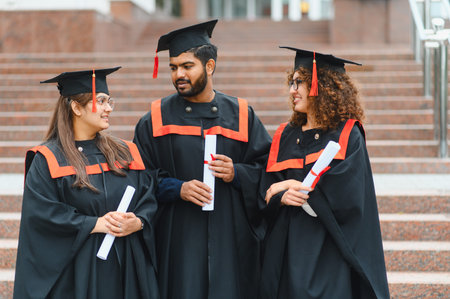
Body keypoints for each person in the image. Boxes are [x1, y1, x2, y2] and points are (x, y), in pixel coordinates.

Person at [133, 19, 272, 299]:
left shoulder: (242, 115)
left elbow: (267, 170)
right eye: (173, 67)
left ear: (209, 67)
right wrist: (177, 188)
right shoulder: (155, 119)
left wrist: (237, 173)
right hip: (179, 238)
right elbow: (139, 177)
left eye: (187, 66)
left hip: (230, 237)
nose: (178, 75)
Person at [13, 67, 159, 299]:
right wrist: (93, 224)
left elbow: (148, 198)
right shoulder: (48, 159)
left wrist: (139, 222)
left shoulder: (126, 152)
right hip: (79, 273)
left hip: (127, 269)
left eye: (109, 101)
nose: (108, 108)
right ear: (76, 107)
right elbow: (42, 216)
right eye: (100, 101)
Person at [259, 47, 390, 298]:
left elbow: (346, 194)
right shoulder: (285, 135)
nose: (292, 90)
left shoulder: (348, 135)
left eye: (299, 82)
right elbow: (267, 187)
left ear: (322, 86)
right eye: (291, 82)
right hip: (287, 247)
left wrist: (288, 186)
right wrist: (279, 196)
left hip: (329, 247)